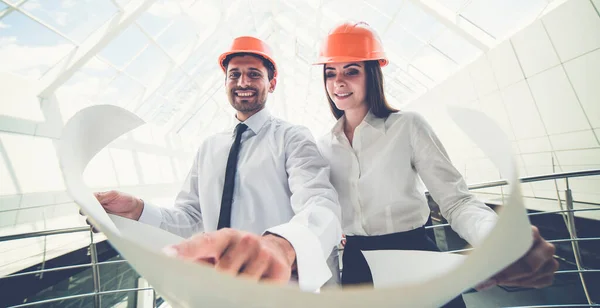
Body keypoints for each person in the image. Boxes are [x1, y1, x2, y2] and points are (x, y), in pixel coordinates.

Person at [313, 21, 558, 305]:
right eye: (330, 73)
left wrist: (494, 237)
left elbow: (456, 202)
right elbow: (327, 230)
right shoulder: (323, 147)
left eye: (351, 71)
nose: (338, 82)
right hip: (359, 271)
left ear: (371, 74)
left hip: (416, 260)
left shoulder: (408, 127)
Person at [92, 36, 342, 291]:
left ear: (272, 83)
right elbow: (189, 218)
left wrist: (282, 244)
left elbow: (319, 203)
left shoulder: (292, 137)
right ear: (225, 83)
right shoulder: (209, 147)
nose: (243, 82)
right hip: (216, 289)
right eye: (234, 75)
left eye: (254, 74)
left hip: (276, 290)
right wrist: (136, 209)